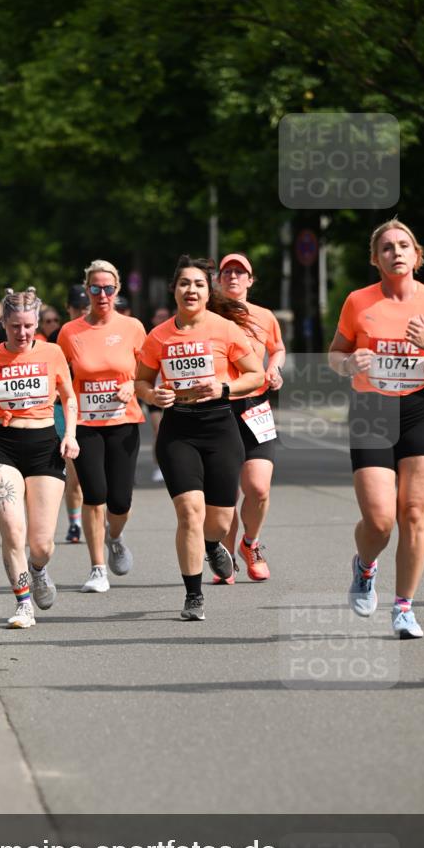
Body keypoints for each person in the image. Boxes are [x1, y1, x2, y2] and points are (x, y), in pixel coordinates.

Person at [328, 219, 424, 639]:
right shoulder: (358, 302)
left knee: (413, 512)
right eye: (387, 247)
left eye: (404, 245)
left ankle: (405, 607)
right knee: (379, 520)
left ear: (417, 255)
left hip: (419, 409)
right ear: (375, 259)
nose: (396, 252)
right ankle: (365, 566)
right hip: (372, 408)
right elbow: (336, 353)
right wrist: (348, 363)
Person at [135, 255, 265, 620]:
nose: (190, 290)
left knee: (220, 522)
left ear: (209, 292)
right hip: (179, 430)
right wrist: (152, 395)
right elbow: (141, 382)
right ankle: (193, 595)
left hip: (221, 428)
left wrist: (225, 387)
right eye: (184, 284)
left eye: (198, 284)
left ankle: (213, 545)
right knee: (189, 512)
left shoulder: (225, 330)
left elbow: (256, 376)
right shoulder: (158, 336)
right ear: (174, 290)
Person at [0, 288, 79, 629]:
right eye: (15, 327)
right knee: (13, 530)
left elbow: (69, 398)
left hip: (45, 445)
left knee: (41, 544)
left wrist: (70, 435)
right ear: (4, 324)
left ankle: (38, 569)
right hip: (4, 445)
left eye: (28, 326)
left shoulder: (53, 353)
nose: (22, 333)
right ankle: (23, 604)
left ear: (37, 323)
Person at [58, 260, 146, 592]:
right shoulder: (70, 332)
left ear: (117, 290)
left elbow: (149, 370)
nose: (102, 295)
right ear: (87, 290)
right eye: (95, 289)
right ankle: (97, 569)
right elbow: (60, 374)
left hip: (124, 422)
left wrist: (133, 384)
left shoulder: (133, 327)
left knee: (120, 501)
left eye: (108, 288)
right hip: (85, 423)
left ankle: (115, 536)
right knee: (94, 494)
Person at [217, 253, 286, 582]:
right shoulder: (208, 317)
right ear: (218, 280)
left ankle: (250, 543)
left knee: (258, 488)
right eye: (227, 272)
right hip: (218, 408)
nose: (233, 276)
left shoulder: (264, 316)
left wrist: (274, 368)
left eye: (239, 272)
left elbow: (279, 348)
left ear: (250, 280)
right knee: (226, 492)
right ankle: (226, 557)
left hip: (256, 407)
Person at [50, 284, 90, 543]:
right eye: (78, 308)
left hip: (96, 410)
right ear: (69, 308)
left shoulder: (100, 332)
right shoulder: (59, 335)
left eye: (86, 308)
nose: (82, 312)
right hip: (64, 410)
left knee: (98, 472)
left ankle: (98, 514)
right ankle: (75, 522)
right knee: (73, 472)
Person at [144, 306, 172, 482]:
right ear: (153, 320)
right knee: (158, 430)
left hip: (176, 393)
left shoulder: (176, 336)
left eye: (165, 316)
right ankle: (158, 466)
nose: (162, 319)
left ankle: (173, 464)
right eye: (159, 316)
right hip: (155, 392)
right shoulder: (151, 338)